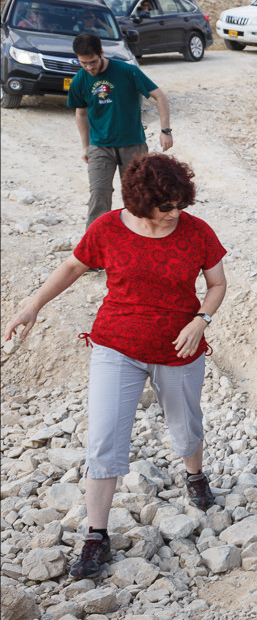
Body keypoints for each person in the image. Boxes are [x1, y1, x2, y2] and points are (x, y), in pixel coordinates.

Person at [3, 153, 228, 578]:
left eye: (181, 203)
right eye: (166, 207)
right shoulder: (107, 228)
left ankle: (194, 475)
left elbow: (217, 283)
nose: (175, 213)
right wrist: (33, 305)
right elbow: (73, 265)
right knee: (104, 440)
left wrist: (201, 321)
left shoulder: (197, 232)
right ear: (140, 203)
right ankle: (95, 535)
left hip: (179, 352)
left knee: (186, 431)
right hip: (116, 347)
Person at [68, 33, 173, 232]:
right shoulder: (79, 81)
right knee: (99, 195)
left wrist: (165, 130)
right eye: (83, 63)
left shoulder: (127, 71)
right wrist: (85, 146)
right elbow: (81, 114)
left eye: (92, 62)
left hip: (133, 144)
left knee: (138, 196)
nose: (89, 68)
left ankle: (140, 239)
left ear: (101, 53)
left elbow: (159, 96)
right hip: (100, 147)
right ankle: (94, 250)